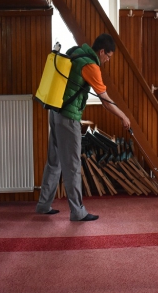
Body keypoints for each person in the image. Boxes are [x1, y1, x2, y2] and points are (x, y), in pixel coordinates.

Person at [36, 33, 131, 221]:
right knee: (72, 165)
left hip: (55, 111)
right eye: (108, 57)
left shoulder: (76, 52)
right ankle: (77, 211)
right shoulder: (91, 66)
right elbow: (105, 100)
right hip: (68, 117)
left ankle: (43, 205)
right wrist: (123, 116)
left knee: (54, 161)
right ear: (102, 51)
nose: (108, 60)